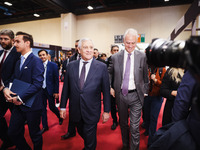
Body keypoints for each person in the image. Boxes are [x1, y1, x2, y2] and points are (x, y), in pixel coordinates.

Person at [60, 38, 110, 150]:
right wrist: (62, 107)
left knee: (90, 138)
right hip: (76, 110)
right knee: (84, 133)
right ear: (79, 50)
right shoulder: (71, 66)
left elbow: (106, 91)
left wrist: (106, 111)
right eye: (85, 47)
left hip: (92, 110)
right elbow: (66, 89)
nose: (89, 50)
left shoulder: (101, 67)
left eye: (91, 48)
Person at [108, 28, 149, 150]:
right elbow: (108, 73)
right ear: (123, 42)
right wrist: (110, 86)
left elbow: (146, 77)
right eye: (127, 42)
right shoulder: (115, 57)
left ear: (136, 42)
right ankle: (125, 145)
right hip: (120, 95)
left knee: (134, 127)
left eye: (133, 43)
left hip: (136, 96)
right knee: (124, 124)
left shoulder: (142, 56)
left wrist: (145, 91)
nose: (130, 45)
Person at [3, 31, 44, 150]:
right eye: (14, 41)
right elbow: (12, 79)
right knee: (13, 132)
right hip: (18, 106)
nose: (14, 44)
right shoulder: (18, 61)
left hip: (32, 106)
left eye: (17, 41)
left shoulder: (36, 61)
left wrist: (19, 98)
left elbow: (37, 84)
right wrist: (6, 89)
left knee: (35, 134)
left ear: (27, 43)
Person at [0, 29, 21, 149]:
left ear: (12, 40)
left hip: (12, 92)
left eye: (5, 39)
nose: (2, 41)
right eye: (1, 38)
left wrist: (6, 87)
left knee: (17, 121)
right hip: (0, 93)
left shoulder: (18, 54)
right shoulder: (0, 53)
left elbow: (17, 75)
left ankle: (19, 143)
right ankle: (7, 140)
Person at [38, 49, 63, 134]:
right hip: (41, 90)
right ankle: (45, 126)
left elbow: (56, 80)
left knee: (52, 107)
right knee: (42, 108)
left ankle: (60, 116)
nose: (42, 57)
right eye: (40, 55)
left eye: (43, 55)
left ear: (47, 55)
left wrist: (56, 92)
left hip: (50, 90)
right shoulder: (37, 65)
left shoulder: (53, 65)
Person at [61, 40, 80, 140]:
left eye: (79, 45)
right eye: (76, 46)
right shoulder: (71, 59)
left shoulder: (90, 58)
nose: (77, 48)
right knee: (72, 112)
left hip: (85, 91)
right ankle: (71, 131)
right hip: (73, 90)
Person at [143, 66, 166, 147]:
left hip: (157, 97)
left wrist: (155, 80)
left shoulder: (162, 69)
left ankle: (151, 140)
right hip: (146, 96)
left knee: (153, 117)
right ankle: (147, 129)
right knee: (146, 115)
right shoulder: (146, 67)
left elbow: (164, 84)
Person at [107, 45, 119, 130]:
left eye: (117, 50)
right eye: (114, 50)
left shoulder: (123, 60)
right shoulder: (107, 62)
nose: (116, 52)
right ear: (111, 51)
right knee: (112, 106)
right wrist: (110, 87)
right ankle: (115, 121)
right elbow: (107, 75)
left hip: (121, 88)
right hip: (111, 88)